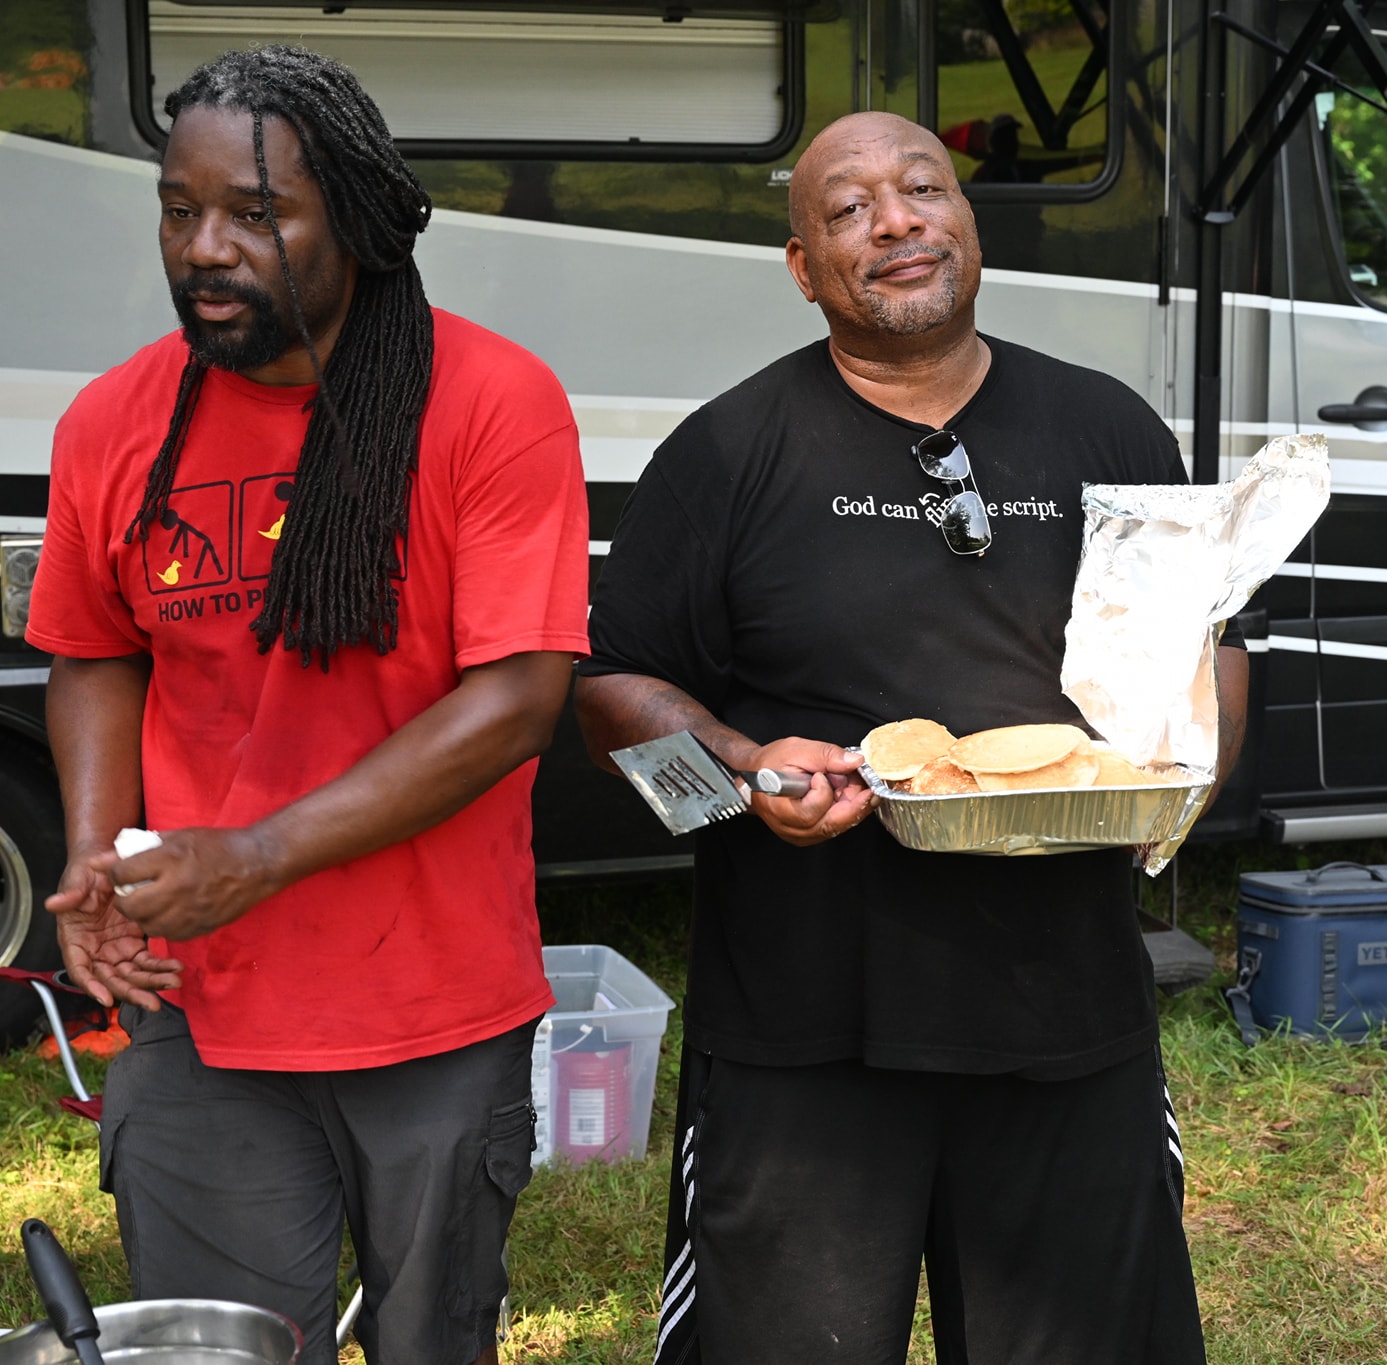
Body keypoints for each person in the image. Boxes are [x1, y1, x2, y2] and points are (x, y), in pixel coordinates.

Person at [576, 110, 1250, 1364]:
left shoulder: (1108, 432)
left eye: (922, 190)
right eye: (845, 209)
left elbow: (1206, 654)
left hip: (1067, 1016)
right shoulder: (725, 452)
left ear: (968, 225)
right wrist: (733, 775)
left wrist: (1179, 772)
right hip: (800, 1033)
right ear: (800, 267)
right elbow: (611, 690)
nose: (893, 221)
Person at [28, 46, 589, 1365]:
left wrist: (264, 854)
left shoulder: (493, 403)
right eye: (180, 210)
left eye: (256, 214)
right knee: (223, 1352)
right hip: (198, 1008)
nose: (205, 247)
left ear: (358, 218)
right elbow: (95, 647)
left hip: (431, 1007)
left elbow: (518, 698)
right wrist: (97, 854)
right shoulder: (114, 424)